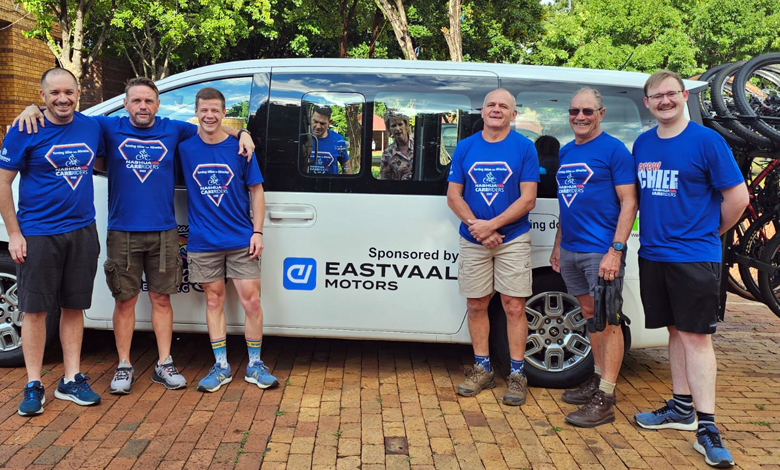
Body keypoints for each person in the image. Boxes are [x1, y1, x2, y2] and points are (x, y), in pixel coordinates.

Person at [13, 78, 256, 395]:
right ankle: (124, 365)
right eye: (136, 101)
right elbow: (65, 115)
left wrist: (244, 133)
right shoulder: (107, 127)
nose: (143, 106)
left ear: (158, 104)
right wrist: (33, 107)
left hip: (164, 230)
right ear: (125, 104)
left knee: (161, 299)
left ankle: (164, 363)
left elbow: (213, 127)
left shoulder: (174, 129)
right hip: (122, 230)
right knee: (124, 301)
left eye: (149, 101)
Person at [632, 70, 748, 468]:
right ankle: (681, 408)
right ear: (647, 103)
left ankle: (708, 428)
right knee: (675, 330)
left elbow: (737, 196)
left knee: (697, 337)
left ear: (683, 96)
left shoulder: (706, 141)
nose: (664, 101)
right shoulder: (642, 143)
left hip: (695, 256)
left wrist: (710, 231)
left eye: (670, 94)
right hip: (654, 254)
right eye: (656, 96)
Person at [0, 68, 103, 415]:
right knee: (35, 311)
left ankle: (71, 379)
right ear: (42, 95)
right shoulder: (24, 129)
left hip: (82, 230)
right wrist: (14, 233)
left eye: (69, 92)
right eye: (54, 93)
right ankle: (33, 383)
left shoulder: (92, 127)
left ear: (78, 94)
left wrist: (238, 133)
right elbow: (2, 183)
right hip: (39, 233)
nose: (63, 99)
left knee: (74, 307)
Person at [177, 87, 278, 392]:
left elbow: (257, 190)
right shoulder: (184, 148)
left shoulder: (240, 149)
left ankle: (255, 365)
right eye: (204, 110)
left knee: (252, 302)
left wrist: (257, 231)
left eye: (215, 110)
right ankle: (221, 366)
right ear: (196, 113)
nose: (209, 116)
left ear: (224, 113)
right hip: (203, 242)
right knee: (212, 300)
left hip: (240, 239)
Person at [549, 87, 637, 428]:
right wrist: (558, 243)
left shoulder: (615, 150)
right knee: (589, 314)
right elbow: (567, 202)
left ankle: (607, 397)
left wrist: (615, 251)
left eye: (587, 111)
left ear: (601, 114)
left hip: (601, 251)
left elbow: (629, 202)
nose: (580, 117)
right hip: (571, 249)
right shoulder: (567, 150)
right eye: (574, 111)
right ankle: (597, 378)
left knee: (608, 320)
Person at [446, 88, 539, 406]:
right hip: (474, 239)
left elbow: (528, 198)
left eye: (504, 106)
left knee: (514, 306)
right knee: (476, 305)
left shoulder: (526, 148)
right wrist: (479, 228)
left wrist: (493, 226)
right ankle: (482, 369)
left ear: (513, 114)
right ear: (482, 112)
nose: (496, 109)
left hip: (512, 238)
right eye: (491, 105)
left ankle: (516, 375)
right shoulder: (464, 147)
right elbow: (453, 196)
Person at [308, 106, 350, 174]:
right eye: (315, 121)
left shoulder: (338, 140)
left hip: (331, 184)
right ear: (311, 117)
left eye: (322, 123)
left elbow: (346, 166)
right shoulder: (304, 138)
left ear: (329, 122)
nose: (318, 126)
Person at [380, 110, 414, 180]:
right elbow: (384, 180)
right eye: (393, 126)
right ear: (389, 129)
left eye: (400, 124)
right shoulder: (387, 154)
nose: (397, 128)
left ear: (406, 125)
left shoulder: (419, 143)